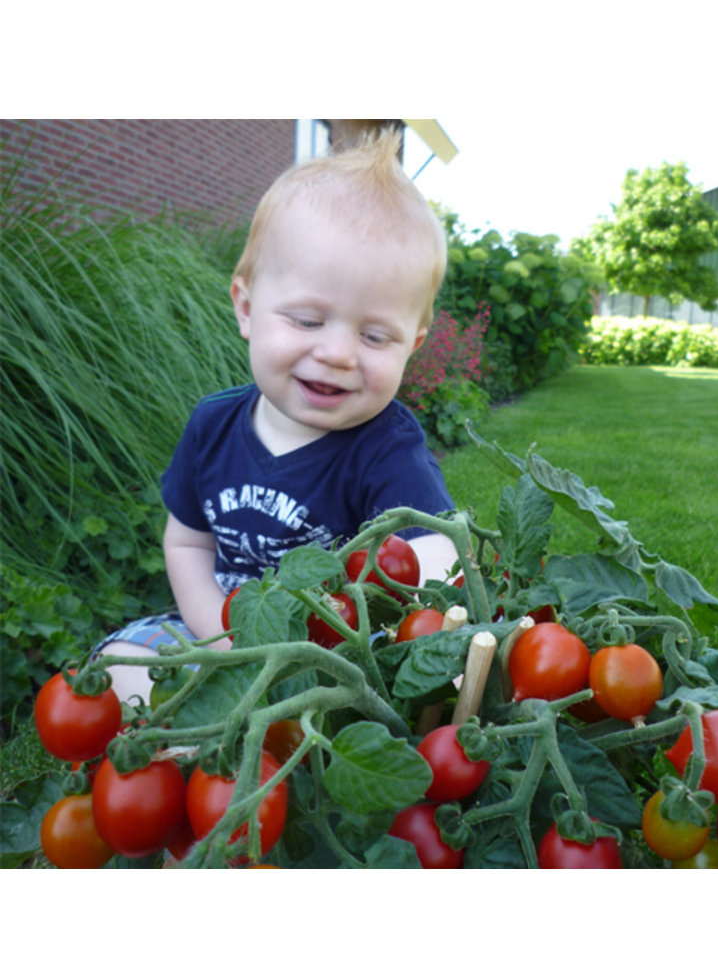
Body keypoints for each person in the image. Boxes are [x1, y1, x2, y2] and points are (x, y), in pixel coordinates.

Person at [101, 127, 457, 700]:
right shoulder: (213, 427)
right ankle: (187, 742)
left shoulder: (386, 448)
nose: (338, 353)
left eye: (373, 335)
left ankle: (218, 749)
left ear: (411, 347)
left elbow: (436, 549)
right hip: (214, 624)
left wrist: (428, 620)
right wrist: (219, 634)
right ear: (246, 307)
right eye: (308, 321)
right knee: (118, 661)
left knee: (328, 703)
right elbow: (188, 543)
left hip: (326, 653)